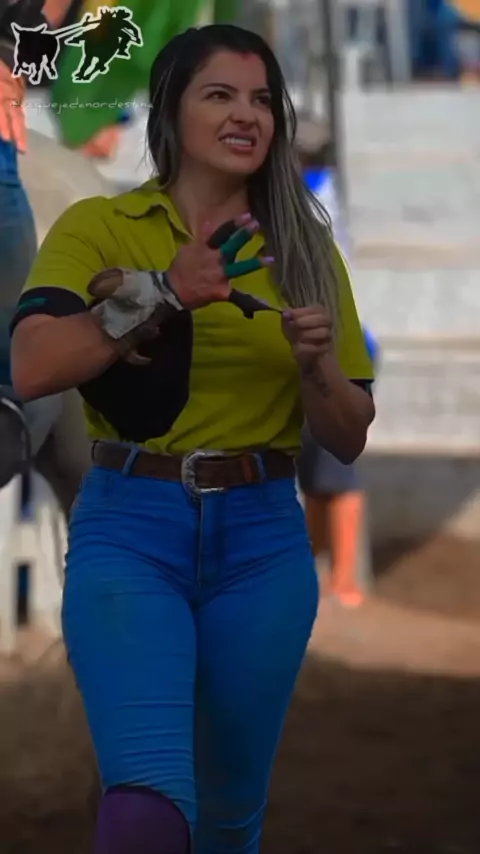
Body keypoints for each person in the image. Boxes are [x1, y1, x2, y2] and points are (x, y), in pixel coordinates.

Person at [11, 24, 374, 854]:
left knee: (227, 819)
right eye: (220, 95)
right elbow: (31, 366)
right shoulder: (100, 225)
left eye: (262, 100)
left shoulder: (306, 247)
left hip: (263, 544)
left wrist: (318, 368)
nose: (247, 114)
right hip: (130, 532)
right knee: (147, 804)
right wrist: (165, 291)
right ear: (171, 112)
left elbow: (349, 438)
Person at [296, 124, 378, 608]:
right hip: (323, 343)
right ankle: (323, 574)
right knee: (316, 473)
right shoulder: (318, 193)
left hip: (335, 348)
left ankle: (344, 580)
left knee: (335, 470)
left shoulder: (312, 196)